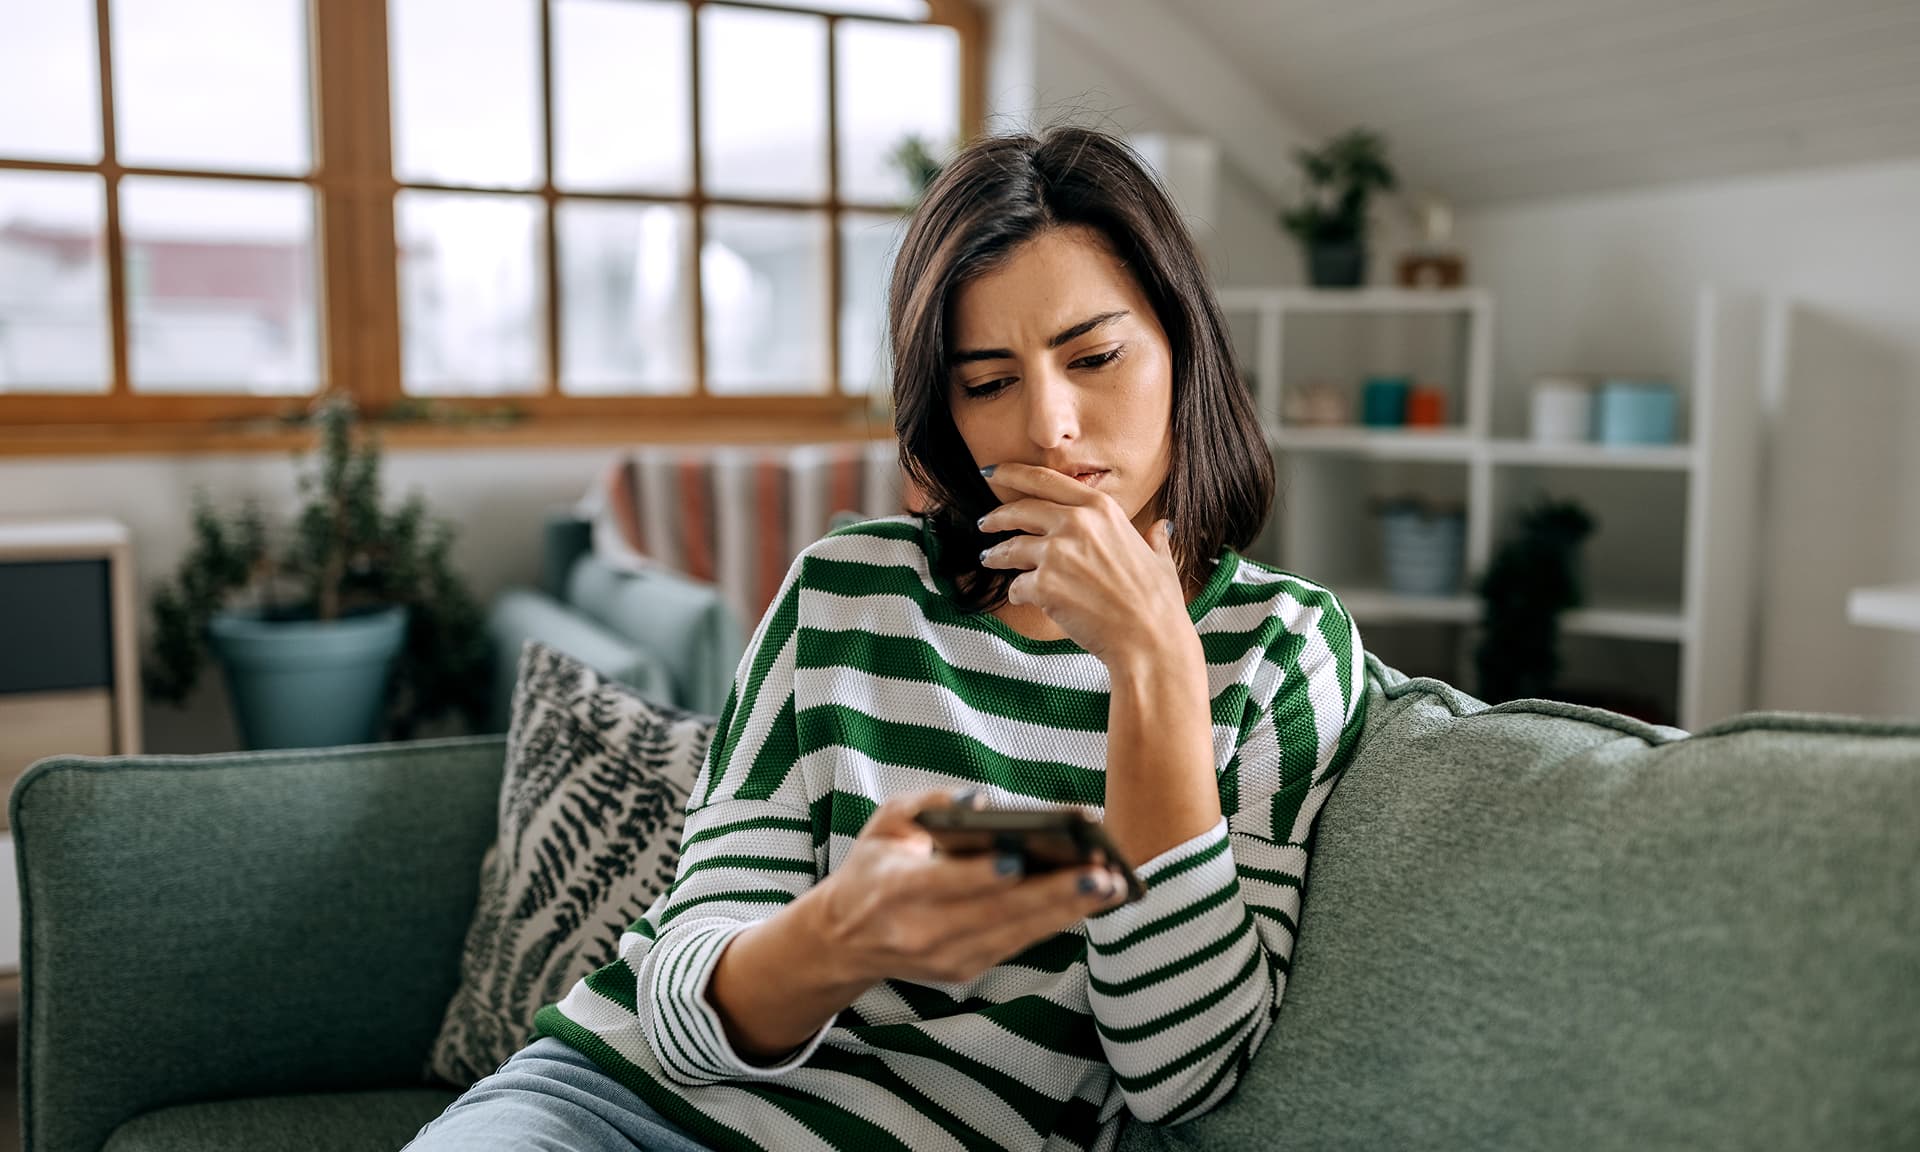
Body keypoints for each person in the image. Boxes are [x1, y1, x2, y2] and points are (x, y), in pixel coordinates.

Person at [406, 124, 1367, 1152]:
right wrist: (839, 935)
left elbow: (1179, 1074)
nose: (1049, 426)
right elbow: (679, 1011)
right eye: (988, 381)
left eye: (1094, 356)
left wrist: (1156, 667)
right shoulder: (843, 593)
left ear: (1184, 347)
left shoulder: (1279, 651)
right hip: (606, 1111)